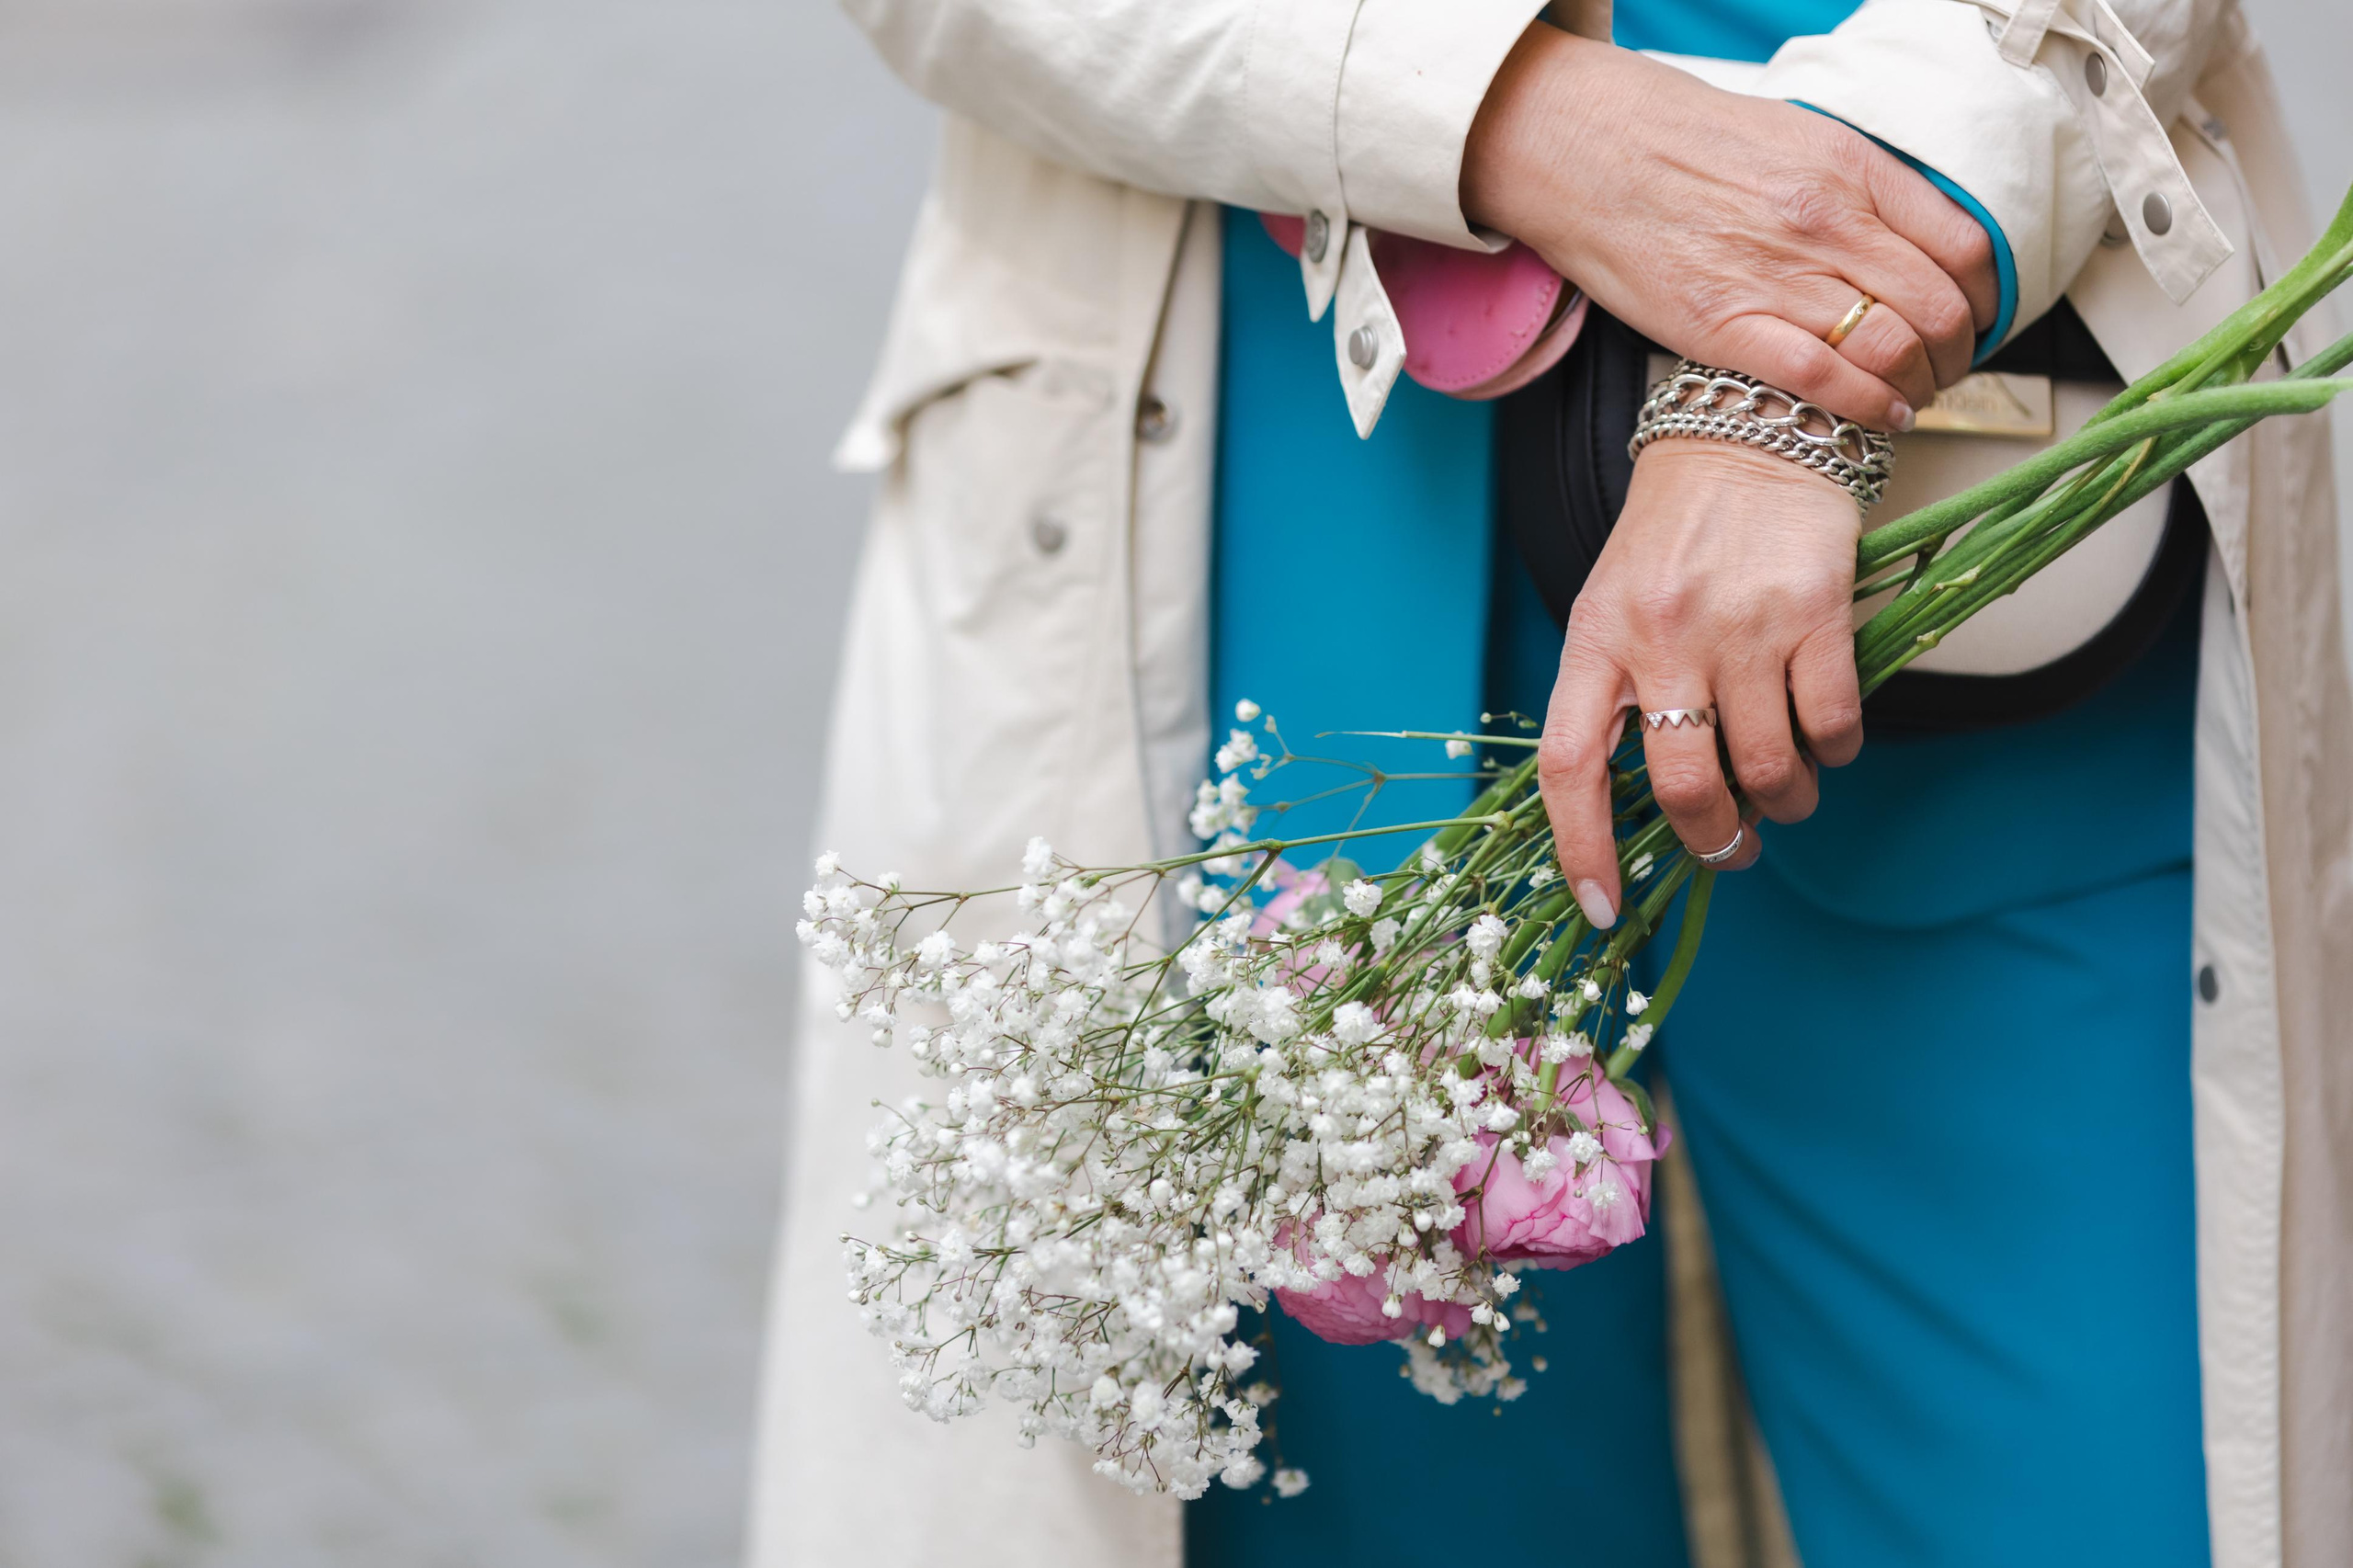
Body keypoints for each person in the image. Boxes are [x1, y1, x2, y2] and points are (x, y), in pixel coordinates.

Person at [753, 5, 2353, 1566]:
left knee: (2098, 1479)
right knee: (1384, 1484)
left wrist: (1803, 323)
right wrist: (1508, 115)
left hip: (1971, 435)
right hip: (1268, 437)